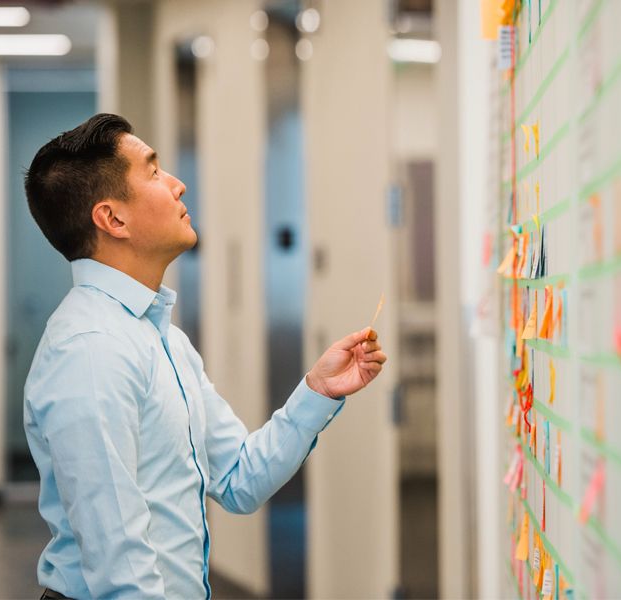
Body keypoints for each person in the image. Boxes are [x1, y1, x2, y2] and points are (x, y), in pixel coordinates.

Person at [23, 113, 387, 600]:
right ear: (113, 218)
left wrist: (317, 392)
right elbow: (120, 566)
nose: (177, 184)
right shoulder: (90, 351)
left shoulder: (161, 337)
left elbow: (239, 479)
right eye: (153, 171)